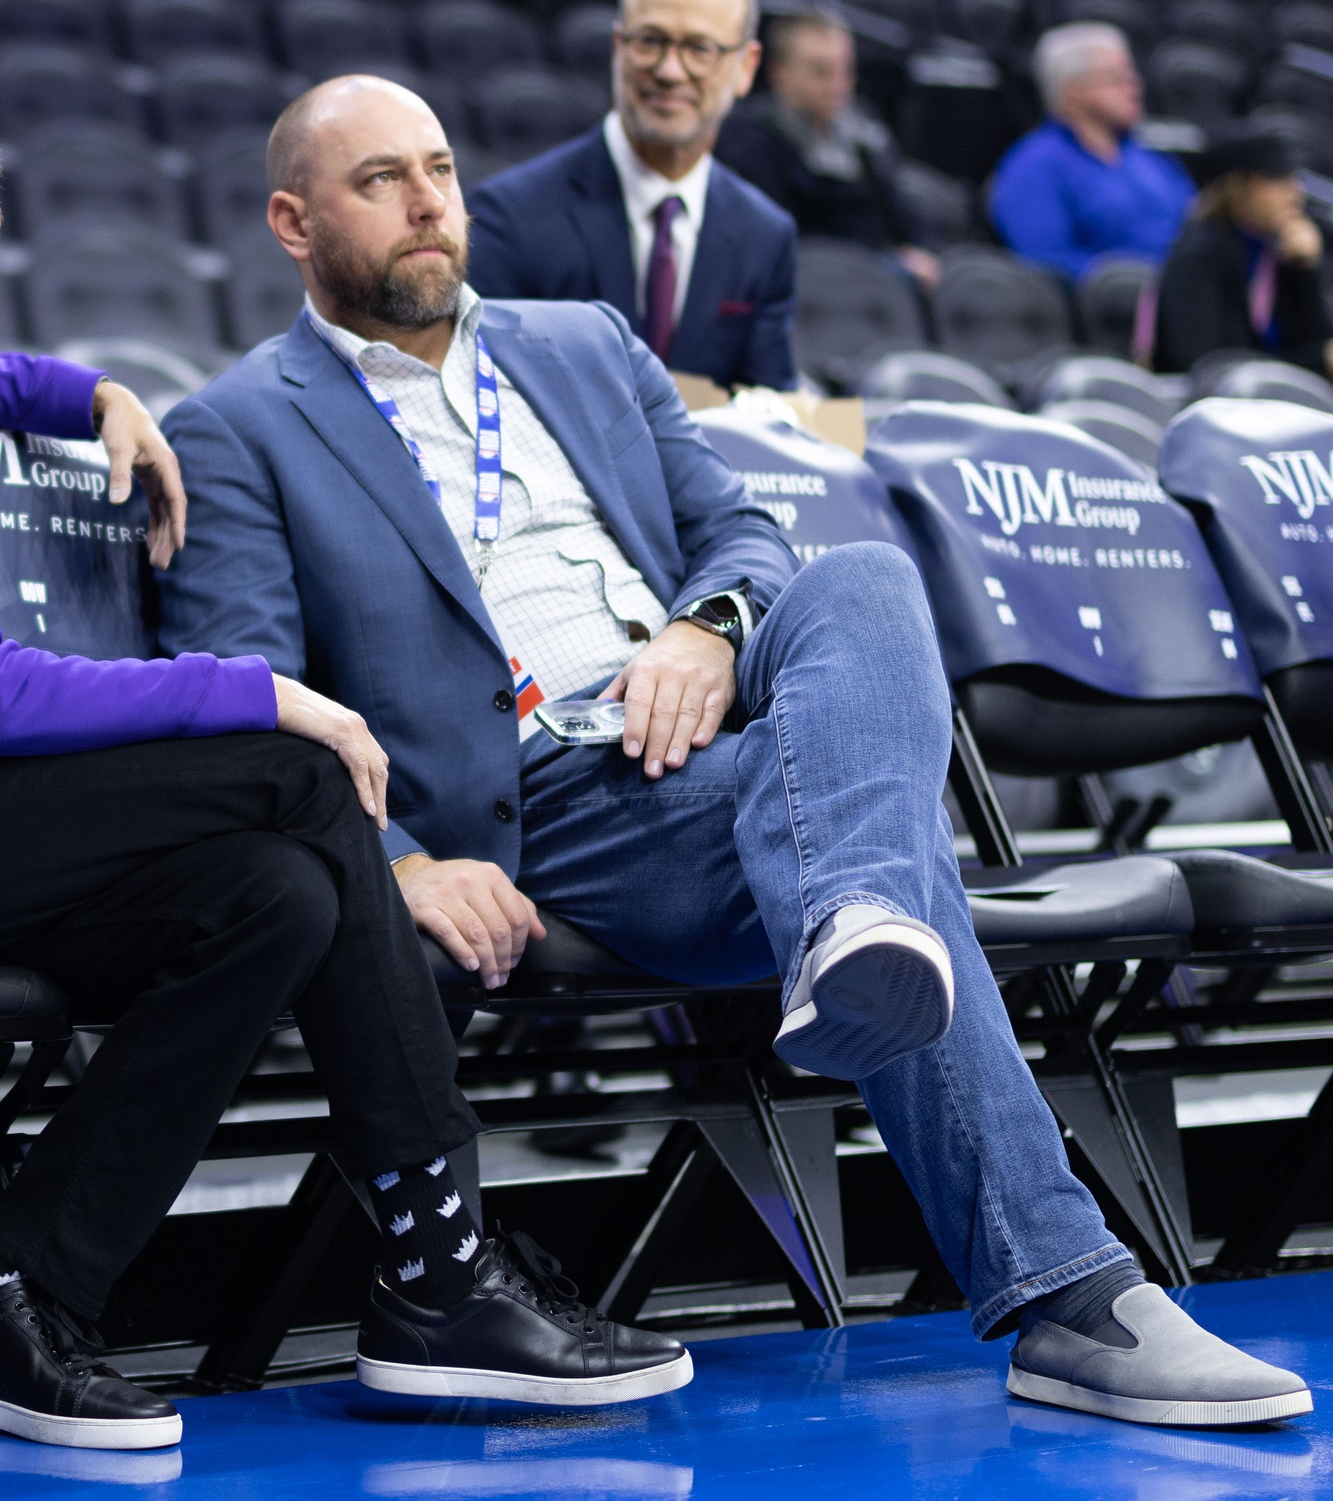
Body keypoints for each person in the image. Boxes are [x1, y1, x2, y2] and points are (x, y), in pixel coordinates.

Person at [156, 73, 1312, 1432]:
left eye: (441, 169)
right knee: (876, 845)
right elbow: (257, 695)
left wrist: (704, 633)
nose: (427, 206)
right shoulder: (239, 425)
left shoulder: (579, 343)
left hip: (701, 720)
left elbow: (744, 535)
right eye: (380, 183)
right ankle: (1071, 1298)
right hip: (543, 796)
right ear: (292, 223)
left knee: (863, 578)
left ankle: (854, 925)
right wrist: (393, 862)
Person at [0, 102, 699, 1452]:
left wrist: (91, 394)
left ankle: (4, 1303)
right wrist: (263, 691)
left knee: (270, 898)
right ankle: (439, 1268)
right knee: (291, 777)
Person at [468, 0, 797, 391]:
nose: (670, 71)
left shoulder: (765, 236)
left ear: (746, 67)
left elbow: (770, 415)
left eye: (699, 49)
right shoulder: (509, 216)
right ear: (617, 48)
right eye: (650, 41)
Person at [714, 7, 940, 288]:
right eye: (820, 72)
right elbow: (774, 241)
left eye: (845, 71)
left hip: (878, 294)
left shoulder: (864, 134)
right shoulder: (747, 140)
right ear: (779, 72)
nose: (837, 85)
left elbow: (908, 222)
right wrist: (885, 264)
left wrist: (920, 255)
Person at [990, 23, 1194, 280]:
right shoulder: (1034, 164)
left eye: (1133, 77)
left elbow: (1196, 231)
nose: (1134, 88)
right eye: (1117, 79)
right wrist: (1139, 282)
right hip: (1111, 308)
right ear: (1075, 91)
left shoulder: (1151, 160)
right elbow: (1044, 261)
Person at [1155, 123, 1333, 379]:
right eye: (1278, 181)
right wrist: (1315, 362)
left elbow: (1316, 342)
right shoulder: (1198, 255)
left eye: (1294, 179)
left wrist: (1305, 269)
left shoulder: (1277, 247)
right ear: (1239, 187)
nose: (1295, 193)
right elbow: (1205, 364)